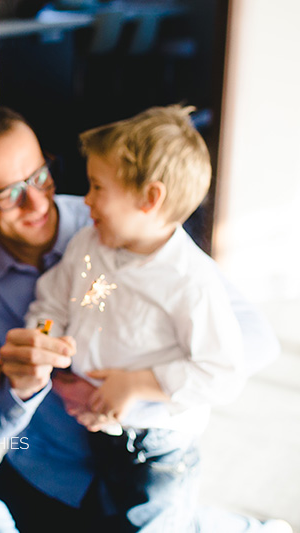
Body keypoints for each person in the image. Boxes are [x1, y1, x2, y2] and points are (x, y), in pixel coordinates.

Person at [0, 106, 286, 532]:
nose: (36, 200)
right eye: (8, 193)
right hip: (52, 466)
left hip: (149, 446)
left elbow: (252, 342)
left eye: (40, 175)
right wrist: (30, 373)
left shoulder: (133, 231)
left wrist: (132, 385)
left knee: (155, 520)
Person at [23, 105, 245, 530]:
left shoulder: (189, 282)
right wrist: (47, 338)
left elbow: (223, 372)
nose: (85, 199)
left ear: (150, 198)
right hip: (101, 432)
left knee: (153, 522)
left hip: (158, 449)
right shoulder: (89, 244)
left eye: (96, 186)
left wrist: (137, 384)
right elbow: (51, 301)